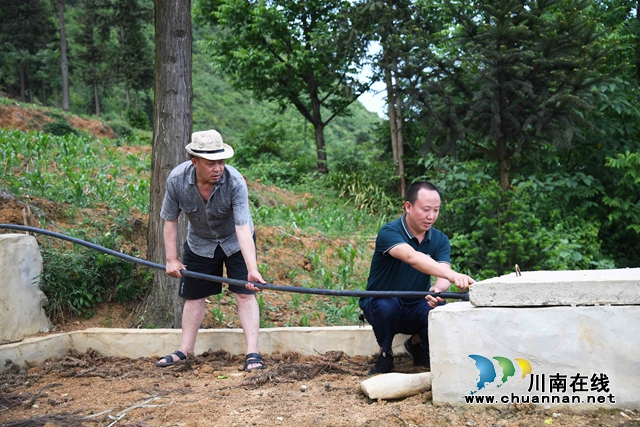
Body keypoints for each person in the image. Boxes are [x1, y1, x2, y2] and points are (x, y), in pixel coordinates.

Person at [155, 129, 266, 372]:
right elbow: (170, 220)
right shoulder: (177, 180)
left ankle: (252, 353)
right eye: (211, 163)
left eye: (221, 162)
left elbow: (242, 227)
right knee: (193, 296)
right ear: (194, 162)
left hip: (236, 242)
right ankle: (185, 351)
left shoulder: (234, 182)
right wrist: (171, 259)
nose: (218, 168)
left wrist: (252, 269)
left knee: (245, 293)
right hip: (200, 242)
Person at [359, 181, 475, 375]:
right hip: (383, 303)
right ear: (408, 207)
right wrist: (454, 276)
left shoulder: (440, 239)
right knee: (387, 304)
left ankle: (416, 345)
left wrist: (439, 290)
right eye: (426, 209)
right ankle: (385, 354)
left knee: (441, 311)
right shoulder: (390, 232)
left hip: (417, 304)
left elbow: (443, 271)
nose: (431, 216)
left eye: (436, 210)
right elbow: (412, 257)